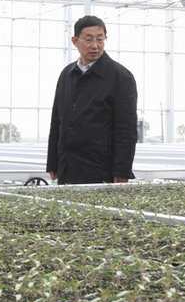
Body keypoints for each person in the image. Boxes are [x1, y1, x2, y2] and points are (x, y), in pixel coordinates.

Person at [47, 15, 138, 184]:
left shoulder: (120, 76)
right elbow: (57, 121)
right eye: (88, 40)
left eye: (100, 39)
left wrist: (122, 171)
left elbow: (127, 130)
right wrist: (53, 162)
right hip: (68, 166)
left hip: (101, 169)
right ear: (75, 41)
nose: (95, 45)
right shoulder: (67, 74)